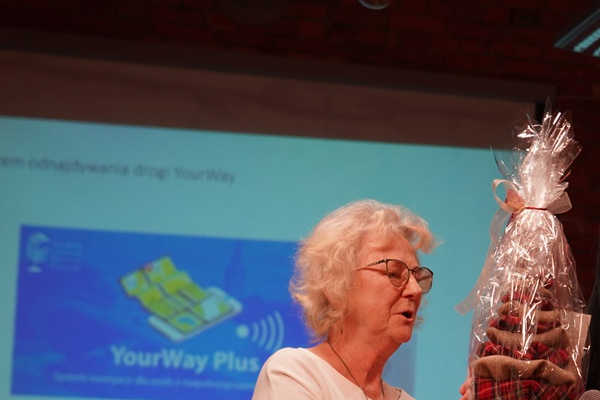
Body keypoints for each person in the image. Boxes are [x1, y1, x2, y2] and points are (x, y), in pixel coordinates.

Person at [251, 199, 438, 400]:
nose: (415, 290)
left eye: (417, 278)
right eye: (393, 273)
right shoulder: (294, 373)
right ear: (337, 282)